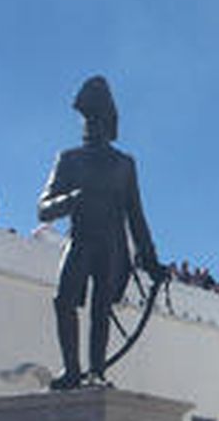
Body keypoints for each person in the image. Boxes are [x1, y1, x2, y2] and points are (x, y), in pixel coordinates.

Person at [36, 76, 164, 390]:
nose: (91, 126)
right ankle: (71, 369)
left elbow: (136, 215)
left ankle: (96, 371)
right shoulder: (69, 159)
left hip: (111, 246)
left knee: (100, 308)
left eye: (97, 120)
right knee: (63, 300)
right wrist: (73, 198)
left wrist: (151, 262)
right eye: (88, 120)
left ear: (109, 123)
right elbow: (44, 209)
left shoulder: (124, 164)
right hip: (79, 240)